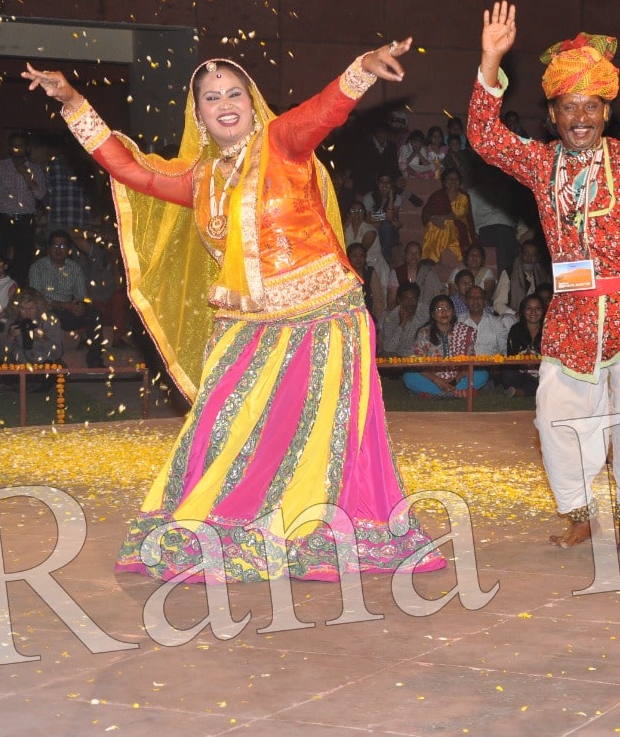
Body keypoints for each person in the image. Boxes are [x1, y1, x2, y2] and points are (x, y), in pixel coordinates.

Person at [23, 40, 445, 581]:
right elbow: (129, 170)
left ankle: (314, 533)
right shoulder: (200, 180)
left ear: (252, 101)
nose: (224, 104)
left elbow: (322, 112)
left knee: (318, 436)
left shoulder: (281, 144)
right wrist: (73, 102)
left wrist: (360, 70)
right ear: (198, 115)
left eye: (234, 94)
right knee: (219, 424)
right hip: (245, 323)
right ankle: (220, 525)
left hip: (322, 314)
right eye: (211, 97)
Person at [469, 1, 620, 553]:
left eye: (591, 106)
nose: (581, 117)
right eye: (569, 107)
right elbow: (483, 136)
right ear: (552, 114)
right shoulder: (540, 164)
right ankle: (578, 512)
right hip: (571, 317)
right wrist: (491, 60)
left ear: (606, 111)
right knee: (554, 417)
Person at [28, 229, 105, 367]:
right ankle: (48, 359)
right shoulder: (37, 267)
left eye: (63, 246)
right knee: (41, 313)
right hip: (46, 310)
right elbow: (36, 297)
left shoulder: (74, 267)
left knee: (94, 313)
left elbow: (82, 295)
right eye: (55, 245)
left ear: (69, 250)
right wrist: (65, 305)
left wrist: (80, 306)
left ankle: (95, 359)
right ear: (48, 248)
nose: (59, 249)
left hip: (68, 311)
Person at [0, 132, 47, 284]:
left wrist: (26, 174)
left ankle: (18, 293)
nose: (17, 148)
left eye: (20, 145)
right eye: (14, 145)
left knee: (23, 261)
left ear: (27, 148)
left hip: (25, 221)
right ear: (10, 148)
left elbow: (40, 194)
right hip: (3, 219)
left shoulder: (36, 169)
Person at [403, 293, 487, 397]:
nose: (444, 312)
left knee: (482, 374)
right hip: (432, 379)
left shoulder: (464, 331)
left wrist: (457, 378)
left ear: (453, 312)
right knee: (409, 377)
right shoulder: (424, 333)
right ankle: (456, 393)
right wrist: (437, 380)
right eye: (439, 309)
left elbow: (470, 361)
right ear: (433, 314)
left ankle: (436, 394)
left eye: (447, 308)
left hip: (458, 379)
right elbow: (418, 365)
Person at [420, 167, 476, 267]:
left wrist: (442, 217)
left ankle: (432, 256)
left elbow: (459, 214)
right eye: (450, 179)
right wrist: (433, 218)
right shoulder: (437, 196)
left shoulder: (463, 197)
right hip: (440, 227)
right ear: (444, 182)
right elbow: (426, 213)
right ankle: (429, 256)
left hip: (459, 230)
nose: (453, 181)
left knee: (447, 222)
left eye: (456, 179)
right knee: (434, 224)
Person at [500, 293, 545, 398]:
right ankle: (536, 390)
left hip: (543, 372)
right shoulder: (516, 330)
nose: (533, 312)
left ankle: (519, 392)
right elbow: (511, 356)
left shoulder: (549, 330)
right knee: (507, 373)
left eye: (537, 308)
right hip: (522, 373)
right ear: (523, 311)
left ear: (543, 311)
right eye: (529, 308)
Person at [378, 281, 426, 359]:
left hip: (423, 356)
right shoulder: (391, 318)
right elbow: (389, 349)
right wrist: (401, 325)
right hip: (401, 359)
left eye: (414, 299)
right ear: (399, 300)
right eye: (407, 299)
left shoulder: (426, 312)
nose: (411, 303)